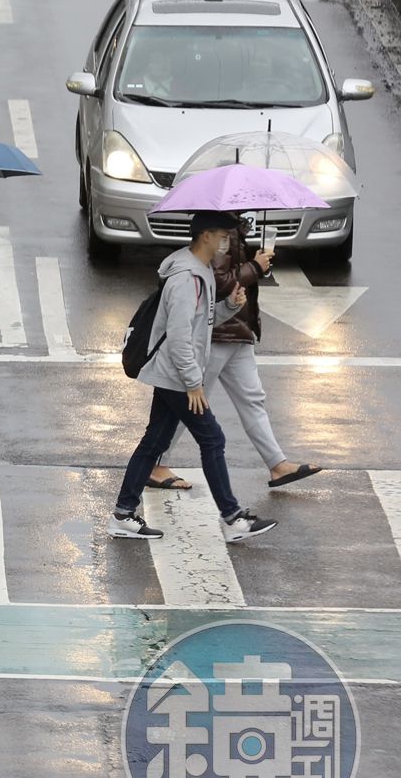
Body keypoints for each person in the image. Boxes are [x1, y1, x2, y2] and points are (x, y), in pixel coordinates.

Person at [109, 211, 278, 544]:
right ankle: (232, 519)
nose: (227, 242)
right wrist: (193, 383)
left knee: (154, 442)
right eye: (223, 236)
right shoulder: (186, 277)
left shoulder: (199, 270)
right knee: (212, 439)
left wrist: (229, 305)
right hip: (177, 377)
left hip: (174, 375)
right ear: (206, 236)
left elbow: (202, 322)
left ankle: (123, 514)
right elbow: (179, 335)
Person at [147, 216, 321, 492]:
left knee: (252, 399)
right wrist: (255, 266)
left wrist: (253, 261)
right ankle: (156, 463)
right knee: (190, 404)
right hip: (217, 334)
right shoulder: (220, 234)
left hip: (238, 330)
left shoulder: (235, 232)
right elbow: (219, 282)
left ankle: (277, 464)